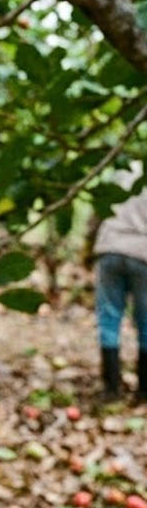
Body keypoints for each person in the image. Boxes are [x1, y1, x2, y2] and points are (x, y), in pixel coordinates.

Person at [93, 166, 147, 403]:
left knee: (109, 319)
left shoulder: (122, 169)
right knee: (145, 323)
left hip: (110, 248)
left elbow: (98, 211)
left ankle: (111, 389)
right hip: (142, 253)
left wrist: (89, 246)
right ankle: (144, 390)